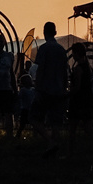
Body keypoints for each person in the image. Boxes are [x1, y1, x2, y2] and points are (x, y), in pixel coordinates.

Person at [32, 23, 68, 157]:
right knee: (55, 121)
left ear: (44, 32)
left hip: (45, 89)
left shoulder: (43, 49)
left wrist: (37, 87)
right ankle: (55, 146)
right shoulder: (61, 49)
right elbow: (65, 71)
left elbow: (40, 70)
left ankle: (50, 141)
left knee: (34, 118)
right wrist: (64, 87)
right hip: (58, 89)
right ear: (56, 32)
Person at [67, 42, 93, 157]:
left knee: (72, 128)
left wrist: (68, 93)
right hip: (87, 99)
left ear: (77, 53)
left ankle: (71, 153)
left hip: (78, 101)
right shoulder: (87, 67)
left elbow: (77, 87)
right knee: (89, 128)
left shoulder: (78, 68)